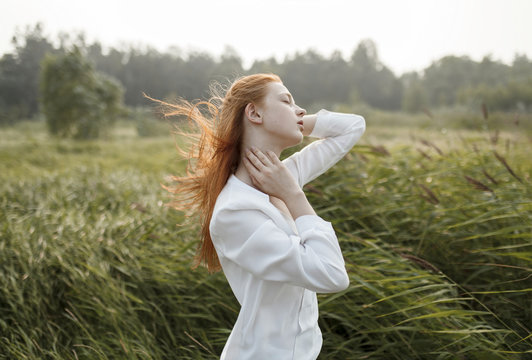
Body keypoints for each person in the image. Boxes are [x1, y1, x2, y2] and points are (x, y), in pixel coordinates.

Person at [155, 73, 365, 359]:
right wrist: (293, 195)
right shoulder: (235, 212)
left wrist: (297, 122)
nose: (300, 110)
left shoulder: (281, 176)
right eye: (286, 101)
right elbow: (332, 275)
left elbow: (354, 126)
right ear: (254, 113)